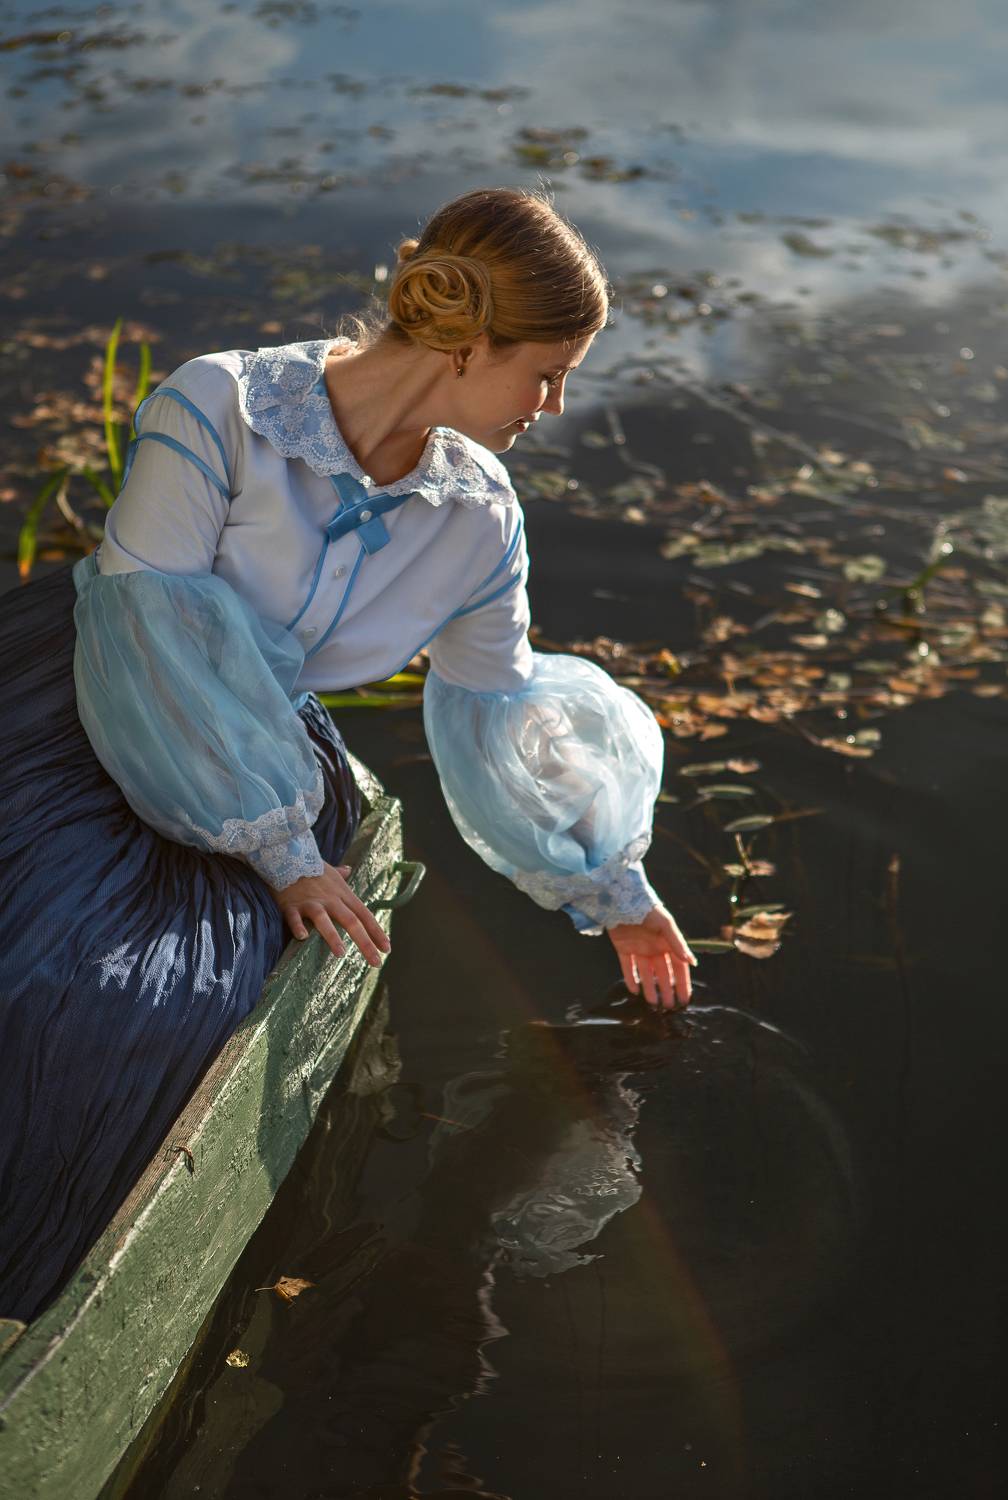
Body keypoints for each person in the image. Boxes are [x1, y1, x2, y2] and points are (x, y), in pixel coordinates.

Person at [0, 185, 696, 1324]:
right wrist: (278, 850)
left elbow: (498, 703)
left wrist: (607, 884)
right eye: (546, 371)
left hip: (259, 759)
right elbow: (147, 630)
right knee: (36, 966)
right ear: (469, 346)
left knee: (141, 1005)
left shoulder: (478, 516)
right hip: (78, 706)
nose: (554, 406)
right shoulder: (217, 403)